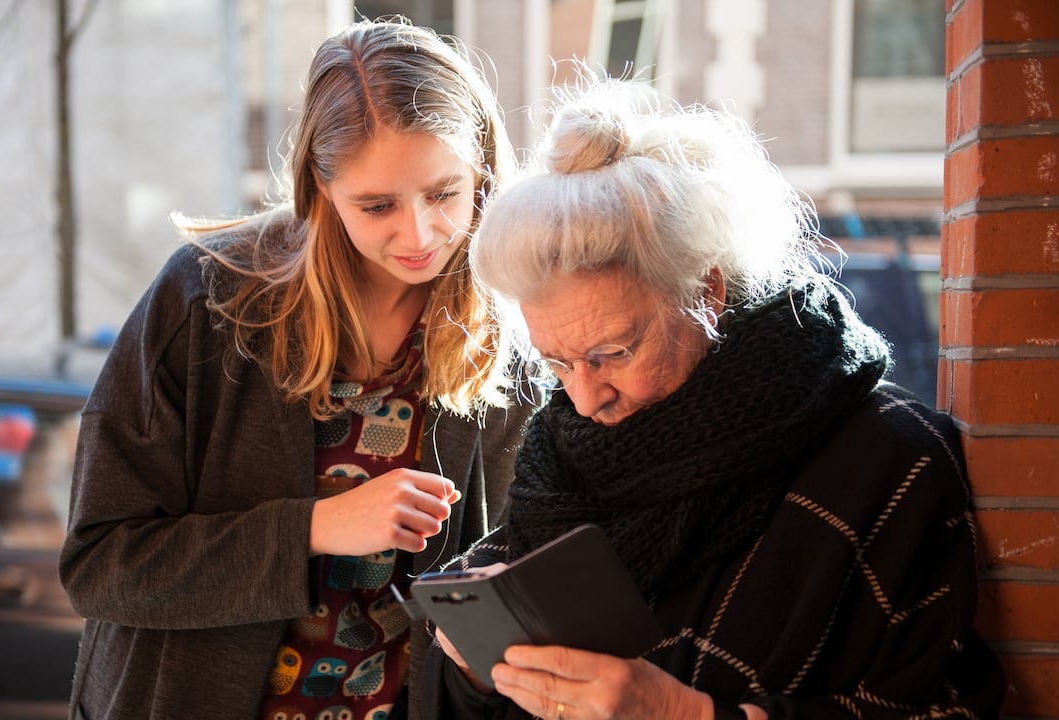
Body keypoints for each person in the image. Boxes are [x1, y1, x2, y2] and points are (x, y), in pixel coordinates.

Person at [424, 75, 1005, 720]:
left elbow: (945, 708)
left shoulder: (888, 458)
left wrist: (685, 715)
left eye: (612, 353)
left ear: (705, 293)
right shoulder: (560, 461)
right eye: (556, 363)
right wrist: (480, 668)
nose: (586, 399)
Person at [58, 17, 535, 720]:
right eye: (377, 206)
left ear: (484, 169)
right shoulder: (205, 299)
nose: (420, 234)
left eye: (444, 193)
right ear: (319, 183)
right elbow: (99, 566)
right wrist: (317, 527)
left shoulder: (507, 332)